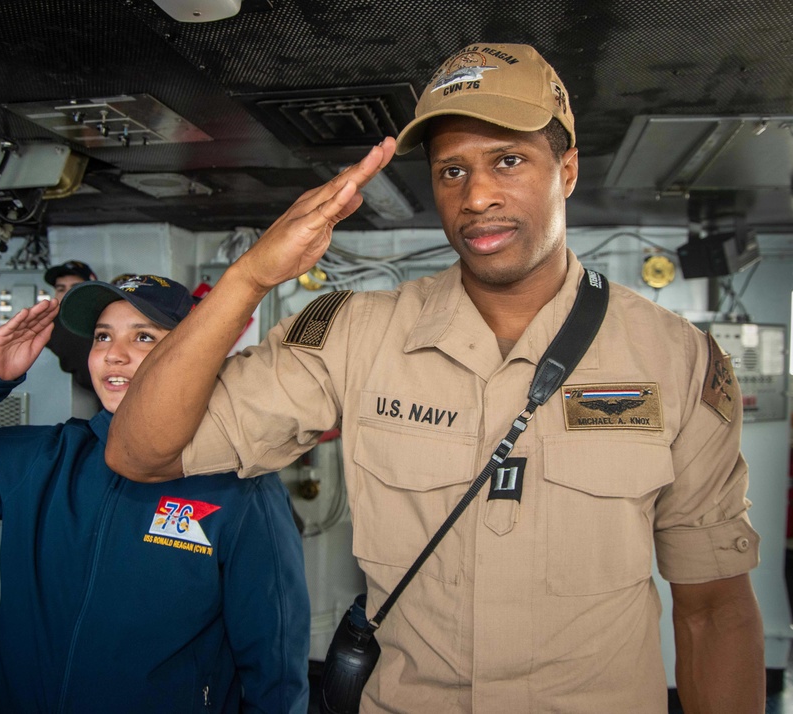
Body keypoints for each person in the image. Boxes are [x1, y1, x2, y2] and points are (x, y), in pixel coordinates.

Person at [104, 43, 765, 713]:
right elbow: (141, 452)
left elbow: (714, 610)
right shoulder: (354, 334)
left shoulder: (677, 359)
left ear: (565, 170)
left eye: (508, 161)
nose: (476, 196)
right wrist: (249, 277)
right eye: (451, 171)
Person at [0, 274, 311, 713]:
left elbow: (274, 667)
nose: (114, 355)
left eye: (145, 337)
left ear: (193, 355)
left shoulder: (239, 487)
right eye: (103, 337)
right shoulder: (41, 461)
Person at [43, 259, 97, 394]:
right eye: (61, 289)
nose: (67, 293)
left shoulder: (107, 317)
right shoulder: (47, 325)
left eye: (75, 287)